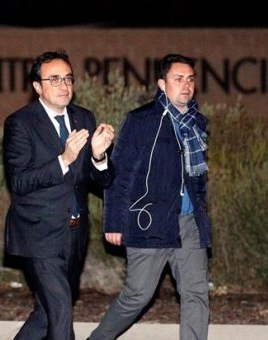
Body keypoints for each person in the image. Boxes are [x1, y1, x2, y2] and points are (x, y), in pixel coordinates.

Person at [88, 53, 211, 340]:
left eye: (190, 79)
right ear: (161, 83)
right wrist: (113, 223)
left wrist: (201, 214)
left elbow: (197, 178)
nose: (186, 85)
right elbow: (121, 175)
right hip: (150, 222)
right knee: (137, 296)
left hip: (189, 223)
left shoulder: (196, 124)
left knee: (196, 293)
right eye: (178, 79)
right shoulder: (142, 120)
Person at [2, 50, 115, 340]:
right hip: (38, 233)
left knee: (46, 313)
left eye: (68, 78)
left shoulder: (84, 117)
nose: (64, 85)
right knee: (62, 310)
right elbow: (19, 181)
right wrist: (63, 159)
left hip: (74, 233)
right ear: (37, 87)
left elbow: (100, 180)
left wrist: (99, 157)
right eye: (54, 79)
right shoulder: (21, 123)